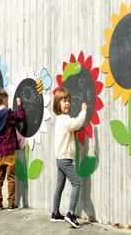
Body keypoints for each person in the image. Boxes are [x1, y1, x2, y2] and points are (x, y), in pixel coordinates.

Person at [51, 87, 87, 228]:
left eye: (68, 101)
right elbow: (77, 124)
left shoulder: (59, 119)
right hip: (65, 159)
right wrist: (83, 110)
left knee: (59, 185)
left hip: (59, 158)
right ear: (57, 104)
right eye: (64, 101)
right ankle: (71, 213)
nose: (67, 103)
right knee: (76, 183)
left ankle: (55, 213)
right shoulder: (65, 119)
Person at [0, 87, 25, 211]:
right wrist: (19, 105)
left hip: (0, 153)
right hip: (9, 152)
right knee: (10, 177)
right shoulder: (9, 113)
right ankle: (11, 204)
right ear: (4, 99)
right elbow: (20, 117)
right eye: (7, 99)